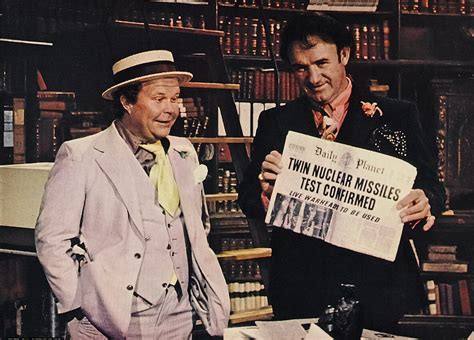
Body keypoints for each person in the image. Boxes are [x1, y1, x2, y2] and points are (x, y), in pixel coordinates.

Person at [238, 13, 446, 333]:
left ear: (344, 55)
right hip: (301, 289)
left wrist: (425, 200)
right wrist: (266, 192)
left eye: (322, 62)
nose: (313, 77)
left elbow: (432, 186)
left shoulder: (397, 114)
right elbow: (248, 198)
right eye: (300, 67)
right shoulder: (275, 122)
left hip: (381, 288)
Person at [35, 50, 230, 339]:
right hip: (113, 316)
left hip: (179, 312)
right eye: (159, 98)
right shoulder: (82, 156)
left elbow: (198, 226)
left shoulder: (183, 151)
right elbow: (51, 239)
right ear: (127, 101)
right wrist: (77, 306)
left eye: (175, 98)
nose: (171, 109)